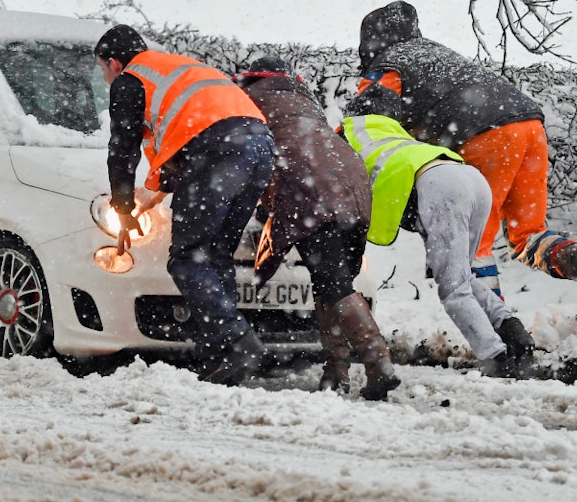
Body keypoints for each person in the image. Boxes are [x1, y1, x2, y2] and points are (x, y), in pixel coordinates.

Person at [346, 0, 577, 320]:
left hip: (483, 135)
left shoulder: (388, 66)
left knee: (472, 247)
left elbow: (366, 126)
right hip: (530, 126)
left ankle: (502, 332)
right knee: (527, 237)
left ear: (370, 42)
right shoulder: (439, 55)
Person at [95, 24, 276, 386]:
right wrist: (152, 195)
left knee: (186, 258)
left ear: (114, 63)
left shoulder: (130, 79)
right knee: (215, 254)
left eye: (102, 70)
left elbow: (123, 149)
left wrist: (122, 206)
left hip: (220, 150)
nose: (106, 78)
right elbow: (187, 137)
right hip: (260, 146)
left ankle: (240, 341)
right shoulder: (178, 67)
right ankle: (219, 357)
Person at [234, 56, 401, 400]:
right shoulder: (304, 98)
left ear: (251, 79)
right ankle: (335, 373)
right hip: (352, 181)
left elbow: (253, 153)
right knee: (333, 281)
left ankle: (378, 362)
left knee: (333, 282)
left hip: (310, 186)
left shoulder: (249, 99)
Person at [340, 113, 537, 379]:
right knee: (463, 276)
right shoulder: (389, 136)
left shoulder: (347, 149)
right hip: (472, 178)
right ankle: (514, 332)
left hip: (439, 187)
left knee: (453, 290)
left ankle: (495, 358)